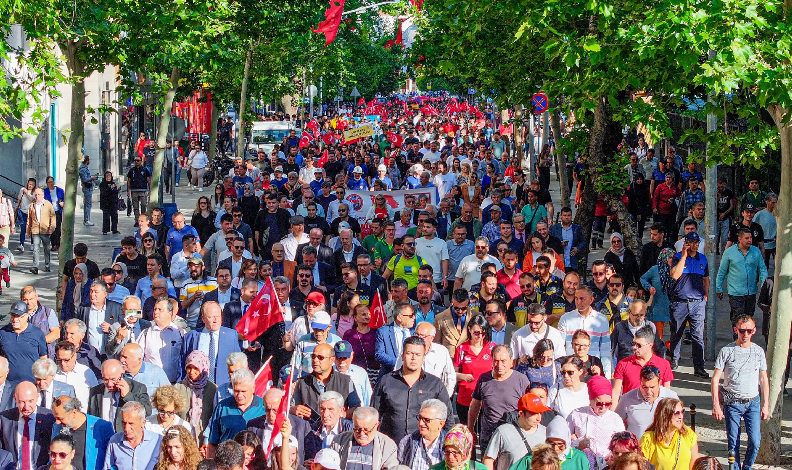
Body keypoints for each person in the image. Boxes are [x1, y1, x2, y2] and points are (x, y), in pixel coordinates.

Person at [711, 315, 769, 470]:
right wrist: (716, 405)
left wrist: (766, 405)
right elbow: (716, 378)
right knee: (733, 442)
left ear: (754, 331)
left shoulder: (758, 352)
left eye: (749, 331)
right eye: (742, 331)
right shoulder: (727, 351)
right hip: (732, 402)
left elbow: (763, 379)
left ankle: (747, 466)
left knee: (755, 441)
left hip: (753, 402)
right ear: (736, 330)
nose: (745, 334)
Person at [372, 336, 455, 444]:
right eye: (409, 353)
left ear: (424, 357)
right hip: (390, 445)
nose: (413, 358)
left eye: (418, 354)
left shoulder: (435, 384)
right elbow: (374, 414)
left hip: (424, 447)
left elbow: (448, 418)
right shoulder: (386, 381)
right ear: (402, 356)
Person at [468, 344, 531, 453]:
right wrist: (470, 427)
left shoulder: (521, 380)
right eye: (496, 361)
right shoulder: (484, 379)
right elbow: (475, 404)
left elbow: (528, 409)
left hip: (513, 436)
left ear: (511, 361)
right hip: (489, 437)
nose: (499, 365)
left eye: (503, 361)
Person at [668, 232, 709, 377]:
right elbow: (674, 275)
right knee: (677, 332)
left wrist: (705, 295)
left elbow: (706, 278)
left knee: (697, 335)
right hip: (680, 302)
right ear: (686, 243)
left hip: (697, 303)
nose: (695, 245)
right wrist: (684, 256)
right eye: (692, 242)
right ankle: (674, 359)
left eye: (697, 242)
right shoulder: (678, 257)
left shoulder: (702, 259)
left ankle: (699, 366)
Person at [566, 376, 625, 469]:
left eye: (608, 404)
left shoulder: (615, 419)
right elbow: (564, 441)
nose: (603, 407)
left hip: (607, 465)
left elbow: (622, 445)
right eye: (599, 403)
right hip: (582, 464)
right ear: (591, 399)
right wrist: (579, 444)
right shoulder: (576, 414)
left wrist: (614, 456)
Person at [483, 393, 549, 470]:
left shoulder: (545, 432)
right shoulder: (503, 431)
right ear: (521, 413)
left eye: (540, 413)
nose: (539, 418)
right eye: (533, 413)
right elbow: (488, 460)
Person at [558, 286, 613, 378]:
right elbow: (559, 347)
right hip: (570, 370)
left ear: (591, 300)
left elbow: (605, 349)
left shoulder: (602, 320)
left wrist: (606, 374)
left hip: (593, 368)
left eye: (582, 299)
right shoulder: (566, 319)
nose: (578, 302)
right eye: (576, 298)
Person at [207, 369, 265, 455]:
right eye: (236, 391)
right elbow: (212, 443)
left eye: (243, 391)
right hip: (227, 462)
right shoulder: (222, 407)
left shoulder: (264, 407)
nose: (239, 395)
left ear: (253, 388)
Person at [716, 229, 767, 327]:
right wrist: (718, 288)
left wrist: (764, 286)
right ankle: (737, 340)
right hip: (735, 293)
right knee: (738, 318)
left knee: (748, 318)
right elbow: (722, 271)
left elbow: (762, 269)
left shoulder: (755, 251)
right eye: (746, 238)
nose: (749, 240)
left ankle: (746, 340)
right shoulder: (729, 252)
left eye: (751, 238)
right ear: (739, 239)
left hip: (751, 292)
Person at [0, 381, 56, 467]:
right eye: (22, 402)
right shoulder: (4, 419)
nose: (26, 407)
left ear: (37, 397)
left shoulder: (49, 418)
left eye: (30, 401)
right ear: (15, 399)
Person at [51, 396, 114, 470]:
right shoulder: (57, 427)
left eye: (60, 418)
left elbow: (112, 459)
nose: (57, 422)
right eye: (55, 418)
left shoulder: (101, 427)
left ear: (74, 412)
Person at [614, 365, 679, 438]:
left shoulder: (671, 397)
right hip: (638, 447)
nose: (648, 391)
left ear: (659, 382)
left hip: (664, 447)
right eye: (644, 387)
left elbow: (679, 422)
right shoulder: (627, 398)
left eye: (652, 387)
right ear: (640, 382)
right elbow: (616, 422)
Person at [328, 407, 398, 470]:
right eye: (357, 429)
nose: (362, 433)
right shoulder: (339, 441)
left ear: (377, 425)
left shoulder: (387, 446)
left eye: (367, 430)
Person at [639, 398, 699, 470]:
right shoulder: (648, 439)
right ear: (665, 415)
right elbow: (641, 466)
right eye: (677, 413)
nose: (681, 416)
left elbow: (695, 464)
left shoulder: (688, 434)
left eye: (682, 412)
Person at [104, 402, 162, 470]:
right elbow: (108, 467)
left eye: (131, 423)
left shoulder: (158, 441)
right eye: (124, 423)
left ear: (143, 423)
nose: (126, 428)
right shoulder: (115, 441)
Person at [0, 301, 48, 384]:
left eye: (19, 316)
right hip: (8, 384)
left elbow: (43, 357)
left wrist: (42, 379)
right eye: (13, 316)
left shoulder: (37, 333)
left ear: (26, 316)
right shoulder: (3, 333)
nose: (15, 319)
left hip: (31, 383)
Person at [396, 399, 448, 470]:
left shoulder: (450, 445)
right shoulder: (407, 442)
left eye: (427, 420)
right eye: (420, 418)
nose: (421, 423)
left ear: (441, 423)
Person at [26, 188, 56, 275]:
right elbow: (29, 219)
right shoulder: (32, 205)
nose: (37, 196)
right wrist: (28, 230)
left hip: (45, 230)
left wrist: (52, 227)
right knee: (36, 249)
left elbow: (53, 217)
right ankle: (35, 266)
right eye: (35, 194)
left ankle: (47, 265)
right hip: (35, 231)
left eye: (38, 194)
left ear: (43, 195)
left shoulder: (48, 204)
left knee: (46, 249)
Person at [126, 155, 152, 221]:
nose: (136, 162)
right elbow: (128, 181)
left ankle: (143, 219)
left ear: (141, 161)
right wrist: (128, 190)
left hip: (143, 190)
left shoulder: (145, 170)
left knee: (143, 205)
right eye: (135, 161)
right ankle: (137, 219)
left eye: (138, 160)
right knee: (135, 206)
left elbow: (148, 180)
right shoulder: (132, 170)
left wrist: (150, 190)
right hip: (134, 190)